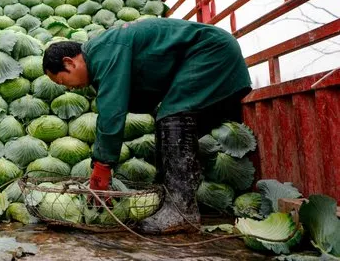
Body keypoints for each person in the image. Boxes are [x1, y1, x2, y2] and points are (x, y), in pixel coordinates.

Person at [42, 18, 251, 234]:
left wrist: (102, 166)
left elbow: (112, 111)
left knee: (174, 115)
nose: (67, 88)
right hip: (204, 56)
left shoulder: (103, 52)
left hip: (210, 51)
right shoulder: (102, 54)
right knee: (169, 120)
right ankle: (173, 200)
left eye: (61, 81)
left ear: (69, 63)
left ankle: (181, 210)